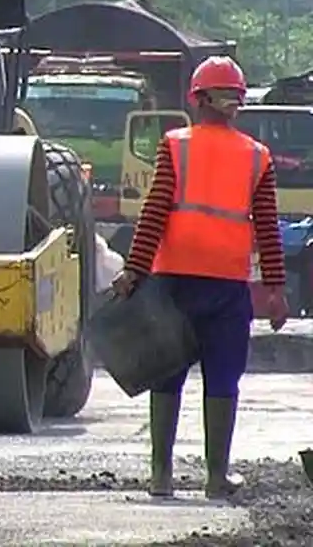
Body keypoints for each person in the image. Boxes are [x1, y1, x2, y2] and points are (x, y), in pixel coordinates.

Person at [114, 55, 289, 500]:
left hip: (172, 280)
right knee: (223, 376)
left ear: (196, 98)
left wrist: (134, 270)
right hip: (227, 286)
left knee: (166, 372)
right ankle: (215, 478)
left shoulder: (176, 145)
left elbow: (154, 213)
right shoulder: (257, 156)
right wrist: (275, 291)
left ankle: (161, 475)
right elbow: (267, 227)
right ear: (237, 101)